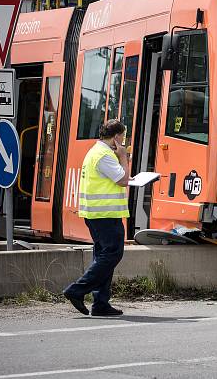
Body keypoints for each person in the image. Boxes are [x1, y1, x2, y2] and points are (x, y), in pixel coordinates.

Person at [63, 119, 130, 316]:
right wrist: (124, 156)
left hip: (98, 213)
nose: (123, 141)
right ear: (117, 136)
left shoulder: (95, 152)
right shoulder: (104, 155)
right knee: (112, 254)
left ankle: (100, 303)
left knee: (103, 256)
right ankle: (76, 290)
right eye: (123, 137)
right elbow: (123, 180)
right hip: (105, 214)